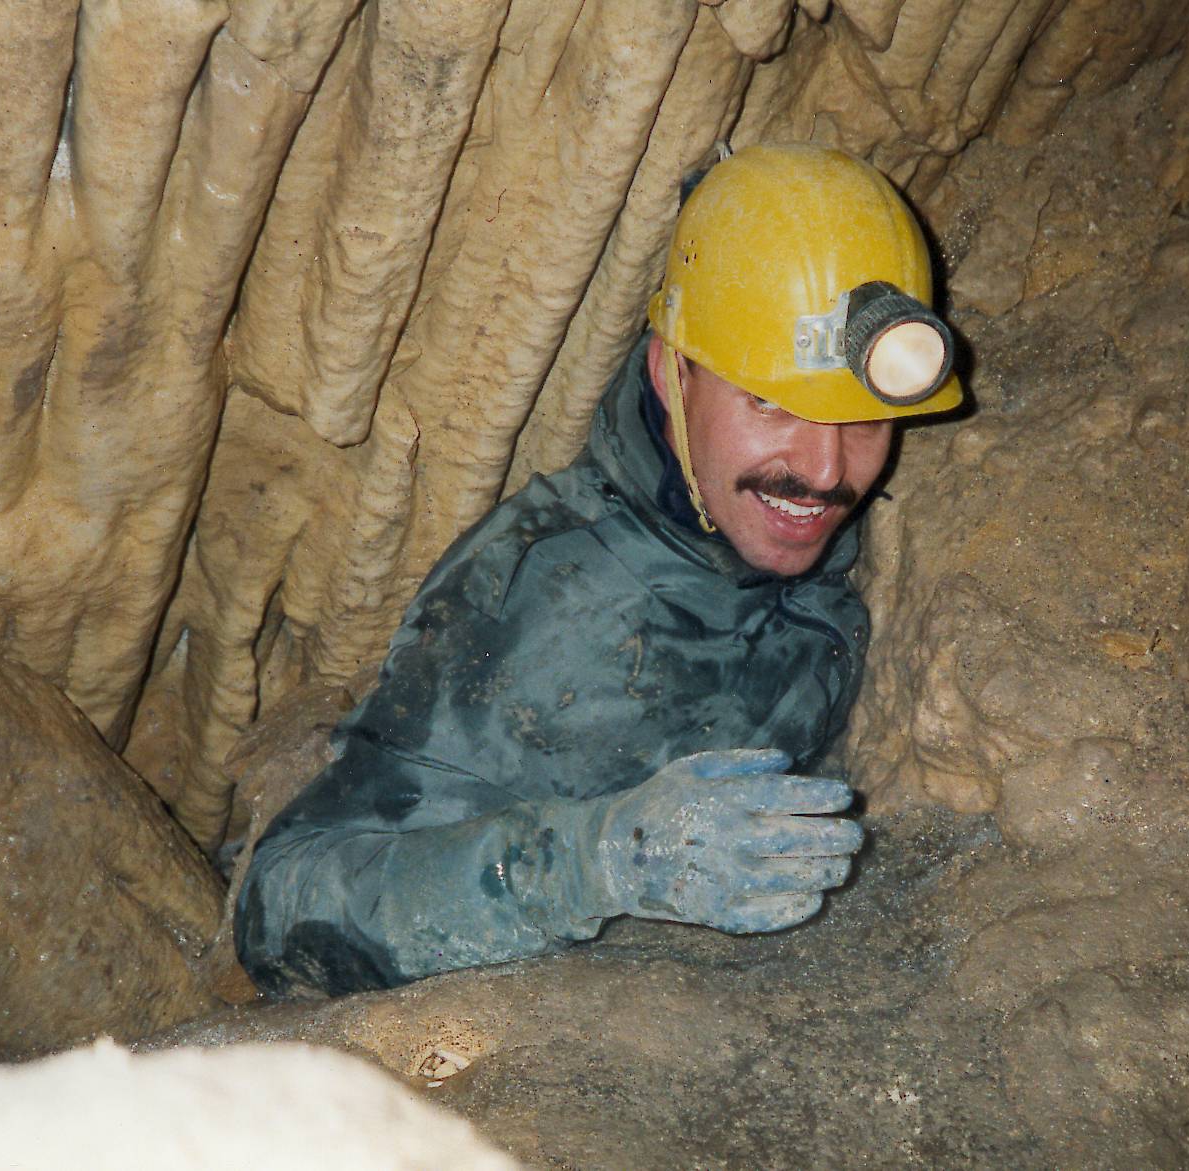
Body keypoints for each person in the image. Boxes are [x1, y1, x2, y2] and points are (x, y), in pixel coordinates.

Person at [235, 144, 965, 996]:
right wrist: (597, 862)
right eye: (772, 404)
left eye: (864, 420)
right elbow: (278, 906)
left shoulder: (777, 511)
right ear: (670, 372)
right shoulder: (536, 603)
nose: (825, 470)